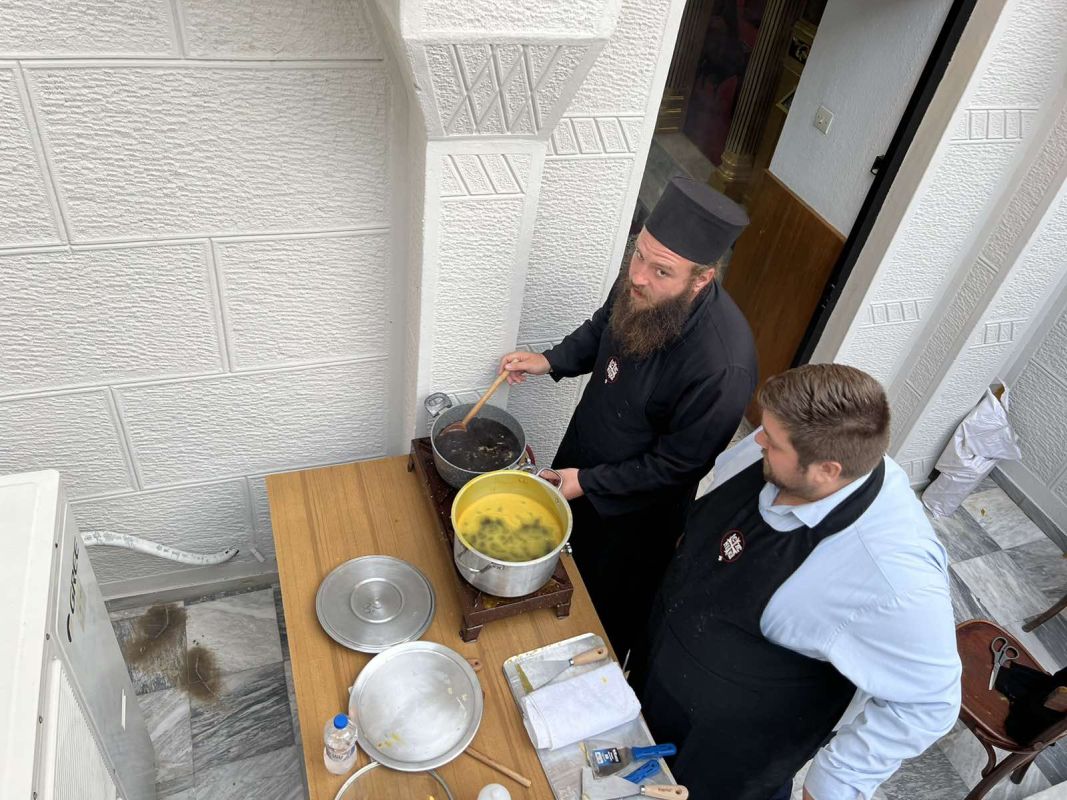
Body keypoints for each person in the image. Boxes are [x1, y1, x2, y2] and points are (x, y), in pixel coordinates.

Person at [637, 364, 962, 800]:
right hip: (660, 673)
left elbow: (930, 702)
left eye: (772, 442)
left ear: (827, 470)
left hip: (729, 753)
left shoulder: (893, 579)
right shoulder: (776, 451)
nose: (758, 441)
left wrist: (834, 782)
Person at [499, 177, 757, 661]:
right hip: (582, 456)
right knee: (550, 564)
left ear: (701, 279)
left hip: (635, 515)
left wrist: (588, 482)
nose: (638, 276)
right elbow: (605, 324)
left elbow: (677, 467)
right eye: (639, 254)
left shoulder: (723, 367)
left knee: (599, 611)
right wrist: (550, 360)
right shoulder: (641, 280)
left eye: (661, 270)